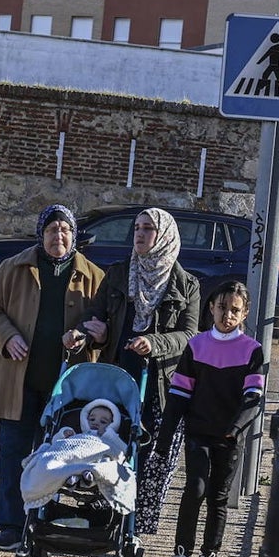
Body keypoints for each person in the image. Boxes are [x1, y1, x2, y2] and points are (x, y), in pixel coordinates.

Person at [62, 207, 200, 536]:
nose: (139, 234)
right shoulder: (119, 273)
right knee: (111, 448)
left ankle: (133, 528)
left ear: (164, 235)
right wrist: (83, 334)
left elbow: (190, 336)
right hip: (119, 377)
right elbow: (96, 317)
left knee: (151, 459)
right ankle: (105, 521)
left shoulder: (186, 284)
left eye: (148, 228)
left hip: (161, 385)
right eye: (137, 227)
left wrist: (155, 342)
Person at [0, 204, 104, 550]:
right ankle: (10, 525)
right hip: (19, 381)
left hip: (66, 388)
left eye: (65, 229)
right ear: (41, 234)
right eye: (52, 230)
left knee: (56, 459)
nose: (58, 236)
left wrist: (87, 335)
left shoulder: (94, 276)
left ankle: (45, 525)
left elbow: (101, 323)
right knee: (13, 453)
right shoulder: (14, 267)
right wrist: (8, 336)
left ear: (74, 235)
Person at [155, 280, 265, 557]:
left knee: (217, 497)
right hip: (198, 431)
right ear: (211, 308)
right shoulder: (197, 345)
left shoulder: (252, 351)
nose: (227, 315)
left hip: (229, 436)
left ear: (244, 314)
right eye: (221, 308)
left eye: (234, 310)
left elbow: (254, 397)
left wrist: (234, 429)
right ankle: (181, 555)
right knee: (195, 489)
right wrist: (164, 439)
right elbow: (179, 393)